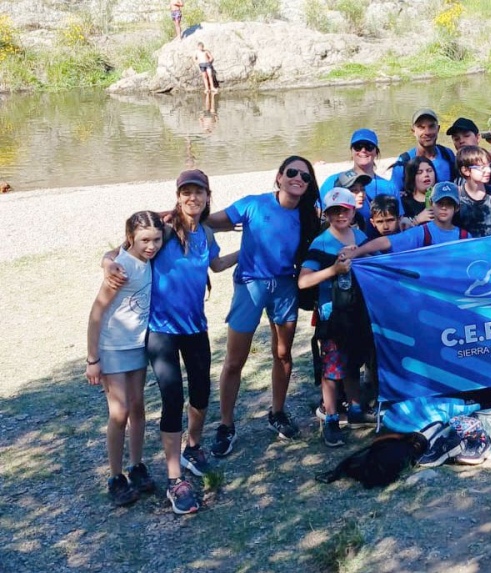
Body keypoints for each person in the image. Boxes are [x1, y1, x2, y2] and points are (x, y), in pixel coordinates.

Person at [102, 170, 239, 514]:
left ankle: (193, 447)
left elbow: (217, 264)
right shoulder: (162, 229)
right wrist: (107, 263)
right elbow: (119, 251)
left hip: (196, 327)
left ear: (209, 196)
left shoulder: (206, 232)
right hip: (161, 331)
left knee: (201, 393)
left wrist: (246, 251)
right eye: (186, 193)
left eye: (199, 192)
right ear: (178, 197)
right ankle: (174, 478)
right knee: (172, 396)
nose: (193, 198)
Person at [207, 156, 321, 456]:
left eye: (305, 177)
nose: (298, 179)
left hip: (285, 287)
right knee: (235, 360)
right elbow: (209, 221)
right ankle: (226, 425)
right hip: (250, 285)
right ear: (279, 177)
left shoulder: (310, 215)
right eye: (292, 173)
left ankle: (277, 412)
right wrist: (181, 213)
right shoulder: (252, 205)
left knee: (283, 354)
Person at [86, 211, 163, 506]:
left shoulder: (147, 260)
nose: (152, 246)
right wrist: (93, 359)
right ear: (131, 238)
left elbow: (169, 220)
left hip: (138, 346)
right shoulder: (120, 268)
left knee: (138, 408)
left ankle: (137, 466)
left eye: (156, 239)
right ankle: (116, 476)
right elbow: (96, 314)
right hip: (112, 348)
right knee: (119, 413)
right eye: (145, 240)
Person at [298, 188, 373, 448]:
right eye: (334, 211)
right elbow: (304, 280)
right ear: (327, 215)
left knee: (352, 363)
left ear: (353, 211)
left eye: (344, 210)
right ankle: (330, 418)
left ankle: (354, 409)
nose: (340, 215)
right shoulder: (320, 243)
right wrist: (334, 269)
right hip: (331, 316)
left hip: (357, 313)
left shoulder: (362, 237)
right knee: (331, 370)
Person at [344, 182, 468, 257]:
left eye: (449, 204)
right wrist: (357, 252)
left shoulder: (465, 236)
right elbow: (387, 241)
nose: (444, 208)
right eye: (440, 203)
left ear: (456, 207)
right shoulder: (422, 233)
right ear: (431, 204)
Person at [321, 129, 398, 225]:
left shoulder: (389, 187)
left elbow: (398, 219)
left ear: (376, 152)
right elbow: (319, 213)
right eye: (358, 147)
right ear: (351, 151)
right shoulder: (332, 181)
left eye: (369, 147)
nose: (363, 150)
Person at [389, 109, 456, 193]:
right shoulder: (404, 162)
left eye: (431, 126)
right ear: (413, 131)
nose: (427, 132)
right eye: (421, 127)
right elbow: (394, 194)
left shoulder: (447, 154)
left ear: (438, 129)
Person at [454, 145, 491, 238]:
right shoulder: (456, 196)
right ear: (465, 170)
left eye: (489, 165)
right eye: (482, 167)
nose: (488, 170)